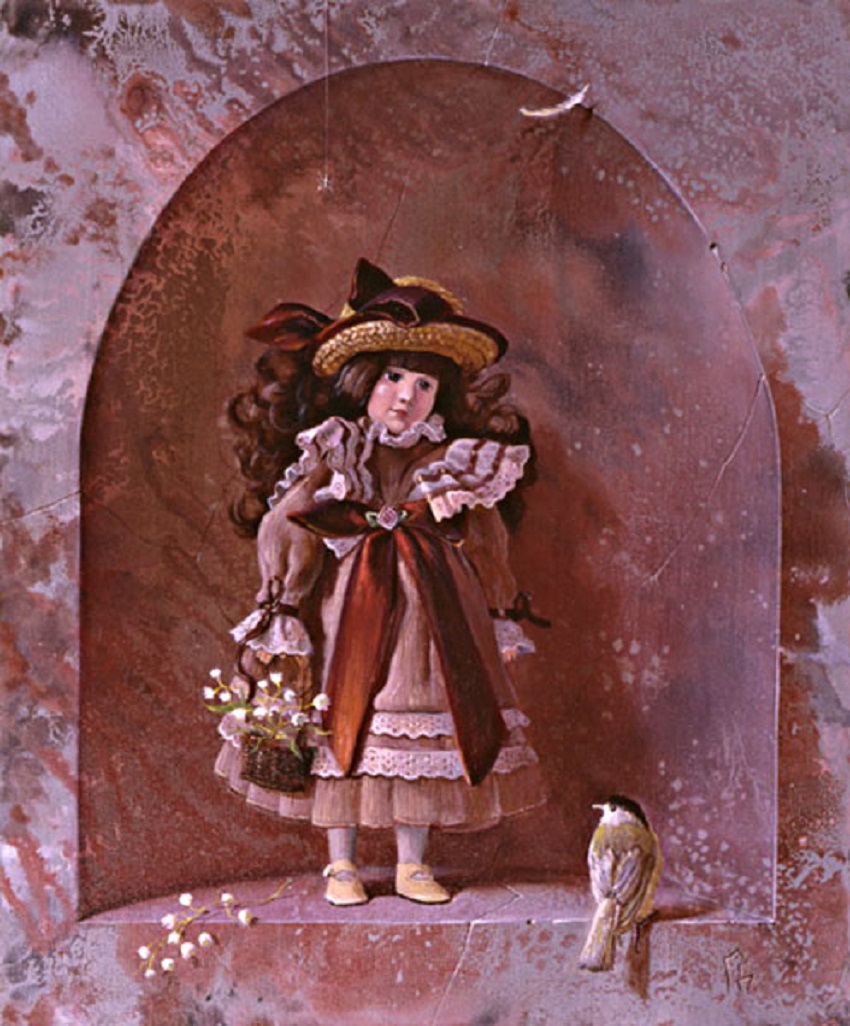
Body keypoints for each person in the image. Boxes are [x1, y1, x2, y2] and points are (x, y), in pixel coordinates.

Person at [216, 258, 546, 905]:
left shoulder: (455, 459)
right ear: (363, 381)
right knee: (340, 718)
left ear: (439, 396)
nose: (405, 396)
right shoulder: (338, 446)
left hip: (431, 609)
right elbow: (289, 520)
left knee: (419, 716)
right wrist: (282, 603)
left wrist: (499, 609)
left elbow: (487, 540)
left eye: (424, 384)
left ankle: (411, 863)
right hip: (343, 603)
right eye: (393, 378)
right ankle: (340, 863)